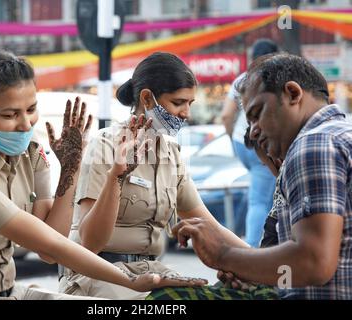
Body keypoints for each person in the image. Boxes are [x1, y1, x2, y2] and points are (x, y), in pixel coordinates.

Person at [0, 49, 206, 300]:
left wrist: (70, 167)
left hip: (9, 291)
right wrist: (128, 280)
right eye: (9, 115)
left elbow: (51, 242)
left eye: (31, 110)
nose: (24, 124)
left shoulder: (29, 155)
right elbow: (52, 246)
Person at [58, 52, 249, 299]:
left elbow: (209, 225)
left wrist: (257, 262)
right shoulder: (106, 145)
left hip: (151, 272)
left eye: (190, 104)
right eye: (178, 102)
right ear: (147, 98)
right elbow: (90, 243)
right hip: (97, 276)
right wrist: (117, 175)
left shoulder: (171, 155)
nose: (186, 113)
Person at [172, 53, 352, 299]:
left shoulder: (314, 144)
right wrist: (249, 268)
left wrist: (223, 255)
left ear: (293, 93)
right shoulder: (339, 135)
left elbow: (313, 261)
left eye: (257, 113)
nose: (254, 130)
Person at [221, 39, 278, 247]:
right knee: (261, 201)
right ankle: (253, 250)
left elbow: (227, 116)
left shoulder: (241, 79)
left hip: (240, 142)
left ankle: (266, 245)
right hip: (261, 145)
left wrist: (233, 142)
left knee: (262, 196)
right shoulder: (274, 80)